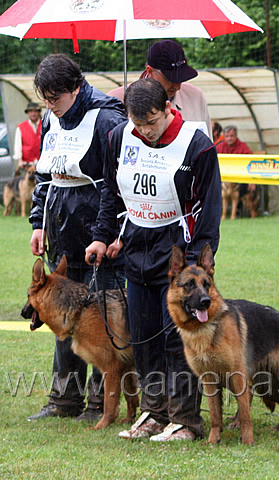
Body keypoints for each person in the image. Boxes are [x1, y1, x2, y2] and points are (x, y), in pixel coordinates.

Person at [85, 78, 222, 441]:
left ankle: (186, 420)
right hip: (136, 249)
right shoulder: (119, 137)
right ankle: (153, 412)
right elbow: (111, 194)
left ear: (168, 109)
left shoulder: (197, 146)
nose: (144, 130)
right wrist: (102, 236)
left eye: (151, 121)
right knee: (143, 337)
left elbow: (209, 211)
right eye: (137, 123)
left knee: (177, 340)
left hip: (178, 252)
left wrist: (196, 267)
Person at [28, 54, 127, 422]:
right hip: (59, 226)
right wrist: (38, 223)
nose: (50, 106)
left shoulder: (107, 118)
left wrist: (103, 234)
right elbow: (44, 175)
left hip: (97, 227)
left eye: (56, 98)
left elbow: (116, 186)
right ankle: (63, 399)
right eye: (45, 99)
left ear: (76, 87)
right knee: (60, 311)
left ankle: (101, 402)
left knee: (100, 317)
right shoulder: (49, 118)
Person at [108, 40, 212, 140]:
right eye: (170, 79)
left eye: (181, 78)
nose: (177, 87)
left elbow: (207, 147)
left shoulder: (196, 97)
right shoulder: (116, 100)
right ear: (150, 71)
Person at [216, 125, 259, 219]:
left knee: (249, 191)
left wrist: (252, 180)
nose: (229, 139)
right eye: (227, 136)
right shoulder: (219, 147)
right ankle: (220, 215)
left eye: (231, 136)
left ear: (236, 136)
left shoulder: (243, 147)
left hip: (241, 180)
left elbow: (252, 164)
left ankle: (251, 214)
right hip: (223, 180)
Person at [13, 102, 42, 171]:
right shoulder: (21, 127)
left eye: (35, 111)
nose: (33, 114)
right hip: (27, 164)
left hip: (42, 162)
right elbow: (18, 145)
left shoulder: (44, 125)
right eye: (31, 111)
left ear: (38, 112)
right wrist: (20, 161)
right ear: (28, 113)